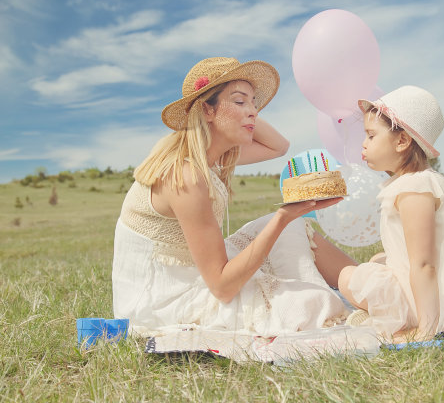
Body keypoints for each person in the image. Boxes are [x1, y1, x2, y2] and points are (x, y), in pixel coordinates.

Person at [112, 57, 354, 336]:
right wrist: (283, 216)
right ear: (207, 110)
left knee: (294, 230)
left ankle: (365, 284)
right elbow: (222, 287)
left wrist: (241, 110)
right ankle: (368, 291)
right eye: (240, 102)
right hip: (162, 302)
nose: (253, 111)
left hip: (194, 272)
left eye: (254, 103)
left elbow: (279, 146)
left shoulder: (215, 156)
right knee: (312, 304)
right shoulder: (187, 177)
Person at [338, 85, 444, 342]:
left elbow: (424, 264)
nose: (364, 144)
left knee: (347, 277)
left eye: (371, 136)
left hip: (440, 308)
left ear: (402, 141)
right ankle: (401, 313)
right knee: (379, 258)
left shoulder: (413, 190)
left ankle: (411, 319)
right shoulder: (422, 181)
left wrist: (427, 328)